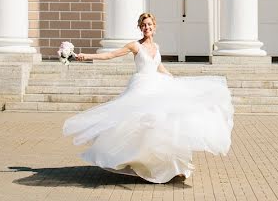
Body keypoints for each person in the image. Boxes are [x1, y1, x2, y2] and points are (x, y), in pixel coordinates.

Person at [62, 12, 233, 183]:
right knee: (140, 125)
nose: (147, 28)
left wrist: (175, 81)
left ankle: (173, 167)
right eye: (144, 25)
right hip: (141, 88)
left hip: (157, 87)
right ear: (140, 27)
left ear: (154, 27)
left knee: (163, 126)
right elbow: (110, 55)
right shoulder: (135, 46)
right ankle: (137, 162)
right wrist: (85, 56)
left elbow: (159, 67)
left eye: (150, 25)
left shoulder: (156, 47)